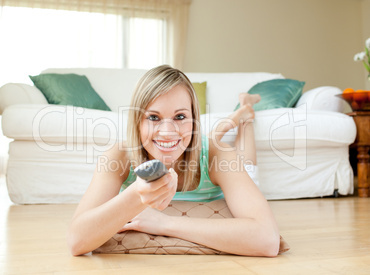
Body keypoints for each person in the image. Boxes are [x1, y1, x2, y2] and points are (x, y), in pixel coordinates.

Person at [68, 65, 280, 257]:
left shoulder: (220, 155)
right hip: (197, 145)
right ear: (137, 122)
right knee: (211, 138)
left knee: (241, 153)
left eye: (180, 117)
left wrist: (165, 223)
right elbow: (77, 241)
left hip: (210, 152)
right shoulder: (119, 156)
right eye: (153, 117)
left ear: (194, 119)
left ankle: (246, 109)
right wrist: (137, 194)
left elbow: (267, 240)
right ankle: (238, 114)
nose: (167, 132)